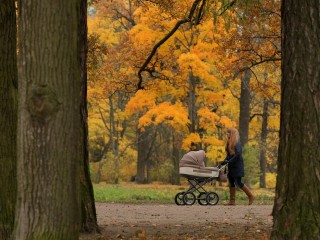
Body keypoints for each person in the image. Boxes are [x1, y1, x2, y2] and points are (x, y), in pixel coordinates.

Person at [220, 127, 254, 205]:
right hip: (231, 165)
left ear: (232, 134)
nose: (227, 134)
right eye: (227, 133)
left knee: (238, 182)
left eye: (228, 133)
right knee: (231, 182)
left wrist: (229, 161)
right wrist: (225, 161)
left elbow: (238, 154)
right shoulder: (229, 143)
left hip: (237, 165)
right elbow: (229, 155)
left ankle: (250, 195)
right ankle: (232, 201)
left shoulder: (237, 143)